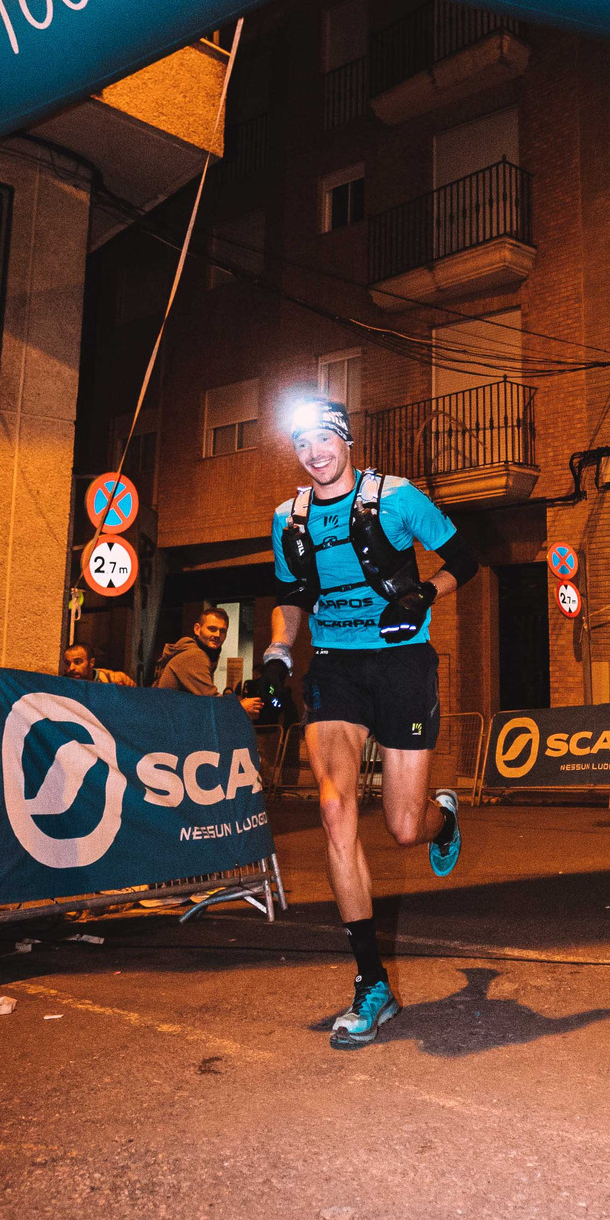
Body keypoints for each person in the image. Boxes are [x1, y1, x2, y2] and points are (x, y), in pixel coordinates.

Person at [258, 397, 480, 1047]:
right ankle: (371, 982)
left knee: (405, 827)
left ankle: (444, 819)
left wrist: (424, 593)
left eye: (324, 438)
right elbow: (293, 594)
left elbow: (464, 560)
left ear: (347, 440)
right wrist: (278, 650)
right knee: (335, 809)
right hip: (334, 668)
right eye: (302, 443)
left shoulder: (397, 498)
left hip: (402, 660)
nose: (314, 452)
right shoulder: (288, 519)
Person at [154, 606, 229, 694]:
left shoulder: (198, 652)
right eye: (212, 629)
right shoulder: (195, 655)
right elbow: (210, 699)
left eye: (222, 631)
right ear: (197, 629)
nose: (217, 635)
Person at [60, 643, 133, 686]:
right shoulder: (61, 685)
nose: (71, 668)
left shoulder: (112, 679)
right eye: (67, 663)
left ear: (91, 663)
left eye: (78, 662)